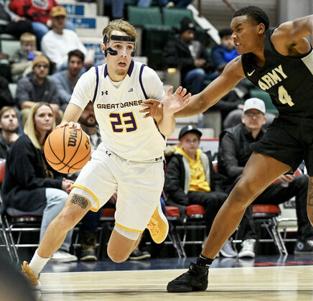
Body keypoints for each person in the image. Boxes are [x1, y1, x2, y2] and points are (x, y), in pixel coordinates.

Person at [143, 6, 313, 290]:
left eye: (239, 29)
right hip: (289, 125)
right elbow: (201, 102)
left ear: (259, 28)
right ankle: (200, 269)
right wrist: (166, 111)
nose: (234, 35)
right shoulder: (240, 65)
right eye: (233, 30)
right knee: (241, 190)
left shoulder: (283, 38)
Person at [20, 19, 190, 288]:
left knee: (116, 254)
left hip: (146, 166)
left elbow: (165, 131)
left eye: (129, 48)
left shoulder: (146, 77)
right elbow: (69, 121)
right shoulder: (92, 79)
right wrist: (68, 131)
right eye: (117, 47)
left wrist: (168, 111)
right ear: (105, 47)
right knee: (69, 212)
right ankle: (32, 272)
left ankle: (151, 213)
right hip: (108, 157)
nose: (123, 54)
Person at [219, 98, 313, 258]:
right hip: (235, 192)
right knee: (242, 182)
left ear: (264, 119)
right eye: (249, 114)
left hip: (263, 189)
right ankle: (248, 240)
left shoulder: (270, 138)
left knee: (304, 181)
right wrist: (269, 175)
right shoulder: (230, 136)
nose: (253, 117)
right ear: (242, 118)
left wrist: (284, 173)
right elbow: (231, 170)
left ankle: (304, 241)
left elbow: (282, 164)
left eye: (257, 114)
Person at [1, 102, 77, 262]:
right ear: (32, 120)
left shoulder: (51, 144)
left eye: (50, 115)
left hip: (39, 193)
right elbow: (27, 181)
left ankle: (61, 248)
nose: (47, 119)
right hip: (18, 195)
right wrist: (59, 185)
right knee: (60, 197)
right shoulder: (23, 144)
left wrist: (65, 183)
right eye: (41, 115)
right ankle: (46, 250)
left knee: (73, 196)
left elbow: (55, 175)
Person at [164, 125, 236, 257]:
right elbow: (171, 184)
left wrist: (219, 191)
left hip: (205, 192)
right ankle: (210, 239)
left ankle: (223, 238)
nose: (192, 143)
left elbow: (215, 180)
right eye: (188, 140)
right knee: (213, 199)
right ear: (181, 143)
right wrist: (184, 199)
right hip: (188, 193)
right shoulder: (176, 159)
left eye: (195, 140)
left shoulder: (204, 158)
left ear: (199, 142)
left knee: (225, 197)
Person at [15, 54, 62, 125]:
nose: (42, 69)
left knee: (60, 113)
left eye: (45, 66)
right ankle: (28, 136)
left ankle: (57, 136)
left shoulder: (52, 83)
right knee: (26, 113)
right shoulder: (24, 82)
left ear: (48, 70)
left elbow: (56, 105)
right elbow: (24, 104)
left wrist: (44, 109)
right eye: (39, 66)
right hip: (31, 111)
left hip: (47, 111)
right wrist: (44, 107)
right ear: (33, 68)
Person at [41, 6, 91, 71]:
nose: (60, 20)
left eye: (62, 17)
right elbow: (58, 64)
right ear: (51, 20)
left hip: (80, 65)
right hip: (62, 71)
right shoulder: (47, 39)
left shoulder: (71, 34)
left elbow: (83, 51)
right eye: (57, 18)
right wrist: (77, 59)